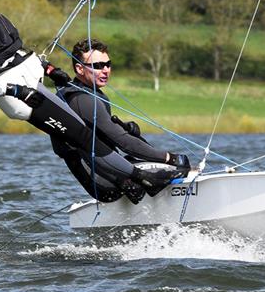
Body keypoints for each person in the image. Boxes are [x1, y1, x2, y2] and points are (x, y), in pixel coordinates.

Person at [0, 0, 171, 202]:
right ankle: (142, 178)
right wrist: (17, 91)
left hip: (31, 87)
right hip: (22, 97)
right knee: (83, 137)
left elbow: (10, 55)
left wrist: (49, 70)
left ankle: (123, 183)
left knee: (82, 135)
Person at [51, 38, 191, 201]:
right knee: (177, 166)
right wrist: (169, 157)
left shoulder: (87, 93)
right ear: (79, 69)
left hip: (109, 173)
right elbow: (123, 142)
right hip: (104, 182)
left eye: (108, 64)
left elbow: (104, 133)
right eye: (98, 66)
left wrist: (125, 128)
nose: (105, 70)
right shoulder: (82, 100)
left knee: (162, 165)